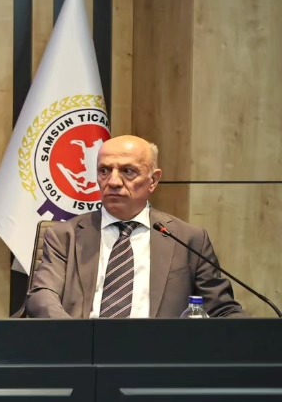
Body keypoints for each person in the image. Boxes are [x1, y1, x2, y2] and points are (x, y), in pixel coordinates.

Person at [24, 135, 244, 318]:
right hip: (83, 349)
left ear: (153, 180)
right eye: (104, 171)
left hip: (159, 352)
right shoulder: (64, 236)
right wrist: (77, 336)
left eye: (128, 171)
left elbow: (221, 309)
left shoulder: (188, 239)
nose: (113, 182)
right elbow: (42, 296)